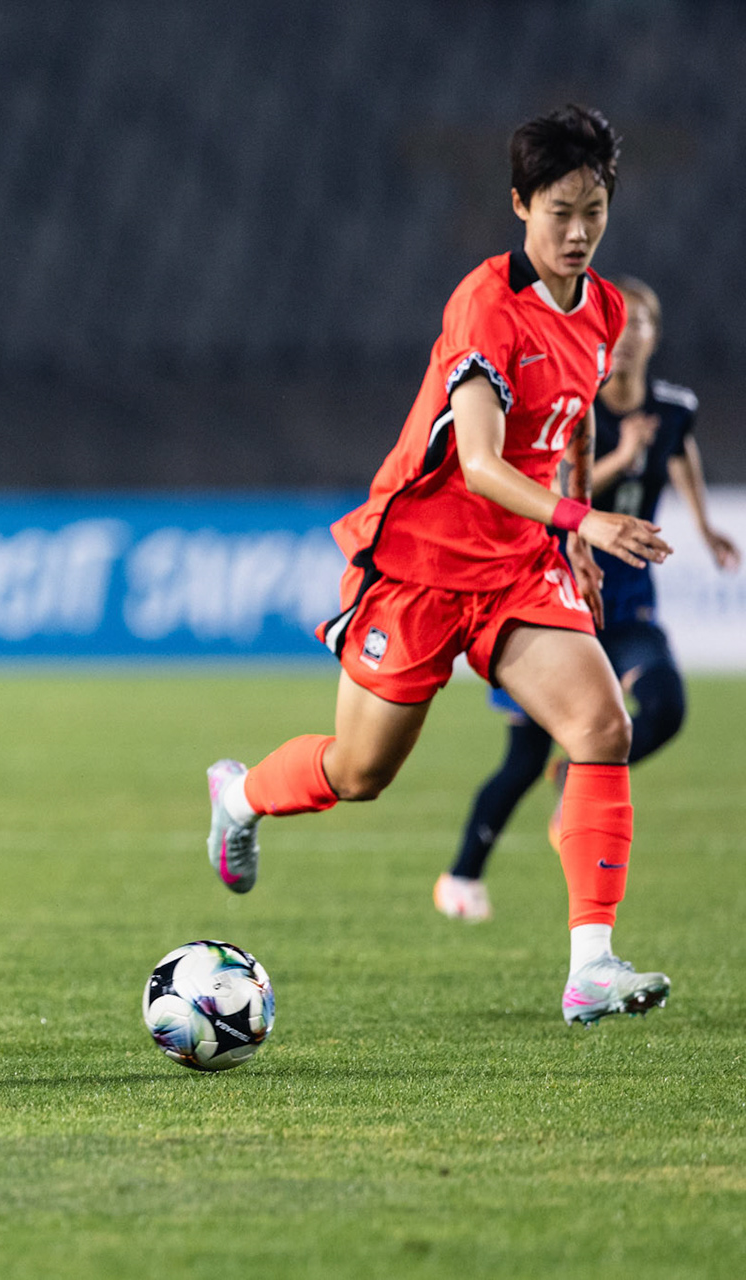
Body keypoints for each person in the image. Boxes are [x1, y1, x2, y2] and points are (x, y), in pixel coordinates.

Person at [201, 105, 678, 1026]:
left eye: (594, 210)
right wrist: (589, 516)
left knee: (601, 726)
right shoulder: (484, 305)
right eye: (557, 212)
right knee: (360, 772)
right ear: (518, 205)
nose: (577, 232)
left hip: (516, 570)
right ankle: (242, 794)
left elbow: (570, 424)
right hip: (419, 567)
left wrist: (570, 535)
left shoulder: (607, 311)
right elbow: (480, 462)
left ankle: (591, 966)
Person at [435, 277, 738, 922]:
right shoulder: (577, 405)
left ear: (655, 335)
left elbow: (679, 453)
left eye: (641, 324)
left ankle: (577, 782)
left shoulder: (674, 407)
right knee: (521, 760)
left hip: (627, 604)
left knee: (666, 706)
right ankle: (461, 875)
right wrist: (621, 456)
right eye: (619, 324)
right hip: (553, 599)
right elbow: (555, 486)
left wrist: (705, 523)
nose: (627, 337)